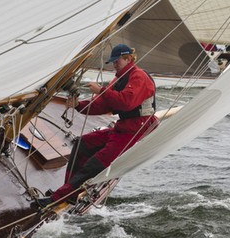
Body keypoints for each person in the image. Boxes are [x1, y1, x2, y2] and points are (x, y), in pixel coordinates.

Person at [37, 44, 157, 208]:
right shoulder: (120, 79)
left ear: (128, 59)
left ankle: (58, 198)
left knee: (94, 164)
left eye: (117, 61)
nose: (114, 65)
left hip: (136, 131)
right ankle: (68, 193)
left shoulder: (139, 77)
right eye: (113, 62)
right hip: (123, 128)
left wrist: (100, 90)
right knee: (81, 144)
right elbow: (102, 105)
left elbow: (126, 103)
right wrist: (78, 105)